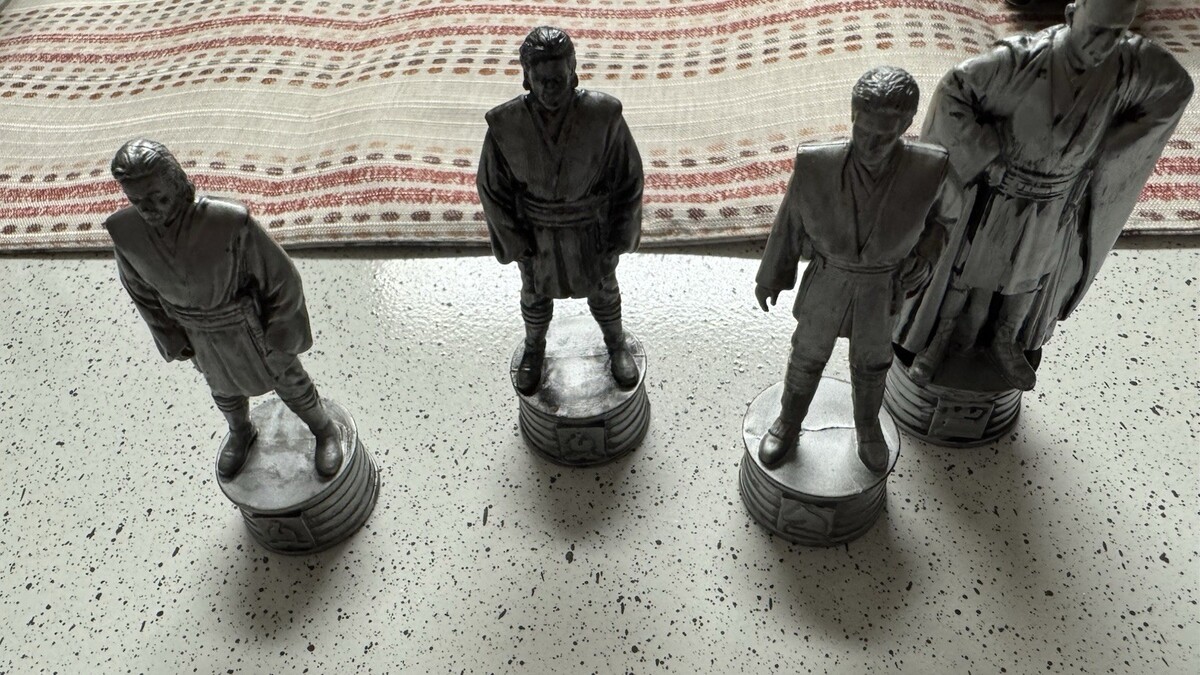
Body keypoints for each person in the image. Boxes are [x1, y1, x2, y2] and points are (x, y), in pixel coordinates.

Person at [895, 0, 1193, 391]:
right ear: (1071, 15)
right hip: (1001, 194)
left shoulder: (1126, 66)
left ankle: (1007, 340)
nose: (1104, 44)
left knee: (1029, 276)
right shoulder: (1021, 60)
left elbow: (1176, 87)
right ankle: (944, 336)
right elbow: (955, 92)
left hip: (1058, 200)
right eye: (1096, 30)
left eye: (1117, 33)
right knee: (970, 272)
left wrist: (1110, 148)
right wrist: (987, 152)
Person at [106, 139, 343, 478]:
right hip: (196, 330)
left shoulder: (229, 222)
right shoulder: (126, 234)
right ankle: (240, 431)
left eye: (158, 197)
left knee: (289, 380)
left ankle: (324, 429)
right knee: (222, 390)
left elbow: (281, 278)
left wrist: (281, 332)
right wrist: (172, 337)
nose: (149, 208)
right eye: (138, 200)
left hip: (249, 324)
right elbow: (141, 293)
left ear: (176, 185)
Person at [756, 66, 952, 472]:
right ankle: (788, 421)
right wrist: (772, 275)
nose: (871, 144)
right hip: (829, 276)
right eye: (863, 131)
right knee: (806, 355)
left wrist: (926, 256)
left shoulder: (930, 168)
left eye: (885, 135)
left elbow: (943, 221)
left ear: (906, 126)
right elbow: (789, 219)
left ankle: (867, 427)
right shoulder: (816, 164)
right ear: (852, 116)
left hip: (883, 284)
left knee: (872, 363)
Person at [477, 26, 644, 396]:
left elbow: (629, 179)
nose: (549, 89)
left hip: (592, 229)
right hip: (536, 233)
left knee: (604, 291)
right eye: (541, 81)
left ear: (573, 73)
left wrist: (619, 235)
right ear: (526, 78)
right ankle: (534, 348)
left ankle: (616, 344)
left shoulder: (604, 115)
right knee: (534, 296)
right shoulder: (505, 125)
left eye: (558, 79)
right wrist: (515, 241)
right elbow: (490, 188)